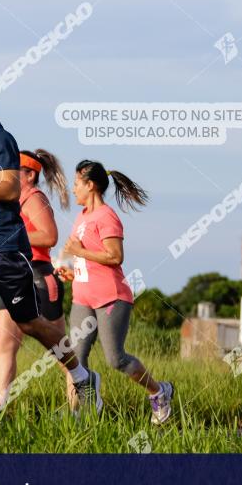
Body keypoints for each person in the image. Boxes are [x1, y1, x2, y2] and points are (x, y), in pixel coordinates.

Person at [0, 77, 101, 416]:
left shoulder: (1, 140)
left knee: (29, 324)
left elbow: (10, 190)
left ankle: (81, 376)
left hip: (5, 250)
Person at [56, 159, 174, 425]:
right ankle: (79, 414)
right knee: (75, 358)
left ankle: (159, 392)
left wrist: (78, 252)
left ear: (91, 185)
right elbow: (88, 259)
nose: (73, 189)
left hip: (111, 297)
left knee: (116, 359)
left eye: (76, 184)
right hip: (82, 297)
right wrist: (74, 271)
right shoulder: (81, 217)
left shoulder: (107, 216)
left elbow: (115, 256)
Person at [0, 149, 73, 411]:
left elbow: (49, 236)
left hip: (39, 275)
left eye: (11, 169)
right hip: (14, 276)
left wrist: (10, 238)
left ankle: (81, 406)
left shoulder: (34, 198)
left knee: (61, 352)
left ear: (28, 174)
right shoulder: (11, 200)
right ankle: (0, 409)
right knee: (4, 347)